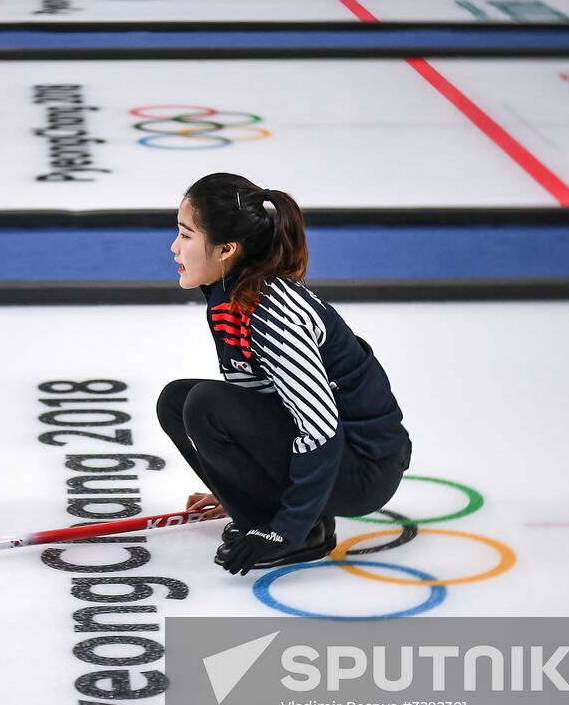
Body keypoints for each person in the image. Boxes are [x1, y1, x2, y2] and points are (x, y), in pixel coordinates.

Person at [157, 172, 412, 576]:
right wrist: (236, 484)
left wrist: (286, 528)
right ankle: (263, 510)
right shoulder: (229, 294)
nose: (174, 247)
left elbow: (321, 430)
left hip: (364, 468)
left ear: (225, 249)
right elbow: (261, 399)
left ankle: (306, 532)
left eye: (186, 235)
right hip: (336, 453)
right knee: (176, 401)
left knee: (205, 405)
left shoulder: (273, 313)